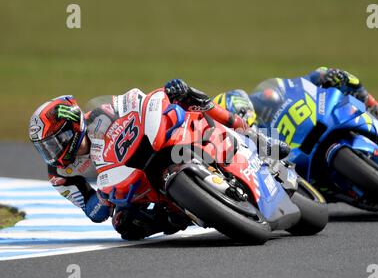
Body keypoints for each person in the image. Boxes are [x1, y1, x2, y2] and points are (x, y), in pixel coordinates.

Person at [28, 79, 287, 240]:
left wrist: (164, 95)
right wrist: (105, 201)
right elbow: (94, 212)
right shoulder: (60, 175)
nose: (52, 152)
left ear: (72, 127)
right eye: (45, 148)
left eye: (54, 142)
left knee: (184, 95)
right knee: (125, 226)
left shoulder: (100, 114)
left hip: (149, 149)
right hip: (124, 183)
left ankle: (251, 134)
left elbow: (131, 104)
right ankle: (178, 213)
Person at [214, 67, 378, 147]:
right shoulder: (249, 143)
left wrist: (322, 75)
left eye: (237, 112)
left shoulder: (266, 96)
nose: (238, 120)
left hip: (316, 124)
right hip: (301, 165)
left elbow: (298, 84)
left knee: (346, 81)